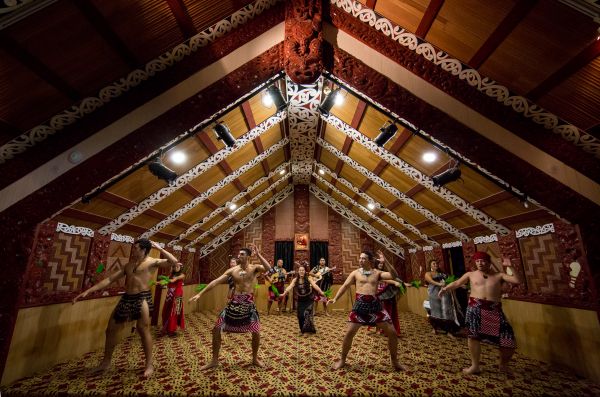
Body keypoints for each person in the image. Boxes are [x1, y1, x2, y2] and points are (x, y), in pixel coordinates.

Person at [72, 239, 178, 378]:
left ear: (143, 250)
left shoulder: (152, 262)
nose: (133, 250)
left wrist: (160, 247)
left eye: (136, 248)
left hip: (142, 297)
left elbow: (174, 262)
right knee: (110, 330)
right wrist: (89, 291)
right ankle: (106, 362)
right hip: (127, 298)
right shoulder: (129, 265)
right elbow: (109, 280)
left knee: (143, 329)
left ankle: (149, 364)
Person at [188, 244, 271, 370]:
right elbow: (215, 282)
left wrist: (259, 255)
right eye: (239, 254)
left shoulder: (255, 268)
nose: (239, 256)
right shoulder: (233, 270)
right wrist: (200, 294)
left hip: (248, 304)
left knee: (256, 331)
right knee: (216, 329)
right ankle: (214, 360)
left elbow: (269, 268)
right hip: (234, 303)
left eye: (242, 254)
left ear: (248, 257)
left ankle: (254, 359)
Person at [439, 251, 521, 374]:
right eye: (477, 261)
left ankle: (503, 365)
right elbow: (457, 283)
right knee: (473, 337)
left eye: (482, 261)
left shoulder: (499, 275)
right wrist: (445, 289)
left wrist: (510, 266)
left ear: (489, 262)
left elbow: (517, 280)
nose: (480, 263)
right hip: (475, 309)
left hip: (494, 310)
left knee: (508, 338)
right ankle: (475, 366)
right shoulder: (470, 274)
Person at [327, 250, 406, 370]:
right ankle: (342, 360)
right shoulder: (355, 273)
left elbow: (395, 276)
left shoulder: (377, 273)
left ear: (370, 260)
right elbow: (345, 286)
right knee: (349, 334)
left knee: (393, 333)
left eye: (363, 258)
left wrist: (386, 262)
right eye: (360, 258)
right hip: (359, 306)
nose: (360, 260)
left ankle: (395, 362)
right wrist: (335, 299)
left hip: (375, 307)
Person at [369, 250, 409, 337]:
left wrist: (403, 283)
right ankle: (378, 329)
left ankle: (388, 329)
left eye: (382, 264)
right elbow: (382, 279)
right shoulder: (374, 271)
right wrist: (393, 282)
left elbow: (395, 277)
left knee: (387, 312)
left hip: (387, 294)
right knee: (378, 312)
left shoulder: (385, 272)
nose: (381, 265)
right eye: (379, 263)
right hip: (378, 294)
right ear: (376, 264)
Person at [281, 264, 325, 334]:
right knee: (300, 315)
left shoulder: (309, 278)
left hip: (309, 299)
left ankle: (309, 329)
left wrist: (321, 292)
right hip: (301, 300)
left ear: (305, 271)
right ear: (298, 271)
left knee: (307, 315)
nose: (301, 271)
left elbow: (315, 285)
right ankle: (302, 328)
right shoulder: (295, 280)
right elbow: (290, 286)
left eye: (303, 270)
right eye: (300, 270)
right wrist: (284, 293)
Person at [425, 259, 462, 337]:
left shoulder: (443, 273)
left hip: (445, 294)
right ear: (430, 265)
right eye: (434, 264)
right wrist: (439, 284)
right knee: (435, 311)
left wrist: (460, 284)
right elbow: (430, 281)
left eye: (436, 264)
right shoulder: (428, 273)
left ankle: (449, 331)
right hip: (434, 294)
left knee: (447, 312)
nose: (435, 265)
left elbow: (450, 281)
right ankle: (435, 328)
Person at [161, 262, 186, 336]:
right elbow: (166, 282)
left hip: (178, 295)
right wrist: (158, 282)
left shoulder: (182, 275)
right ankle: (167, 328)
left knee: (174, 312)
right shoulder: (171, 275)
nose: (176, 268)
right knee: (166, 310)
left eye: (177, 266)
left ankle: (171, 329)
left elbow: (173, 280)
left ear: (181, 267)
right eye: (174, 266)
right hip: (169, 295)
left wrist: (167, 279)